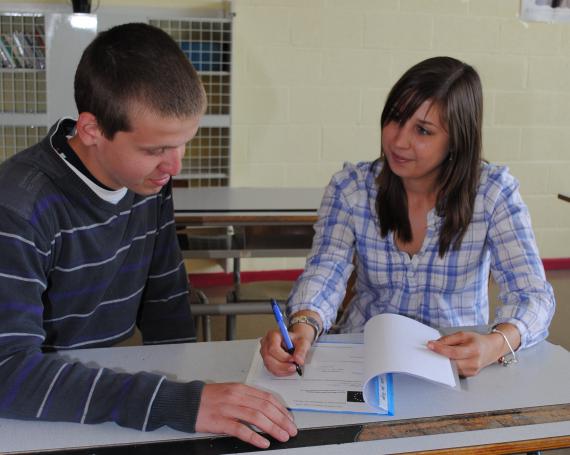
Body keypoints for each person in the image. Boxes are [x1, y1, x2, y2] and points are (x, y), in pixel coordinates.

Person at [0, 23, 296, 449]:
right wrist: (178, 402)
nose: (173, 167)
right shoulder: (19, 208)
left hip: (97, 385)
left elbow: (165, 300)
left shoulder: (148, 183)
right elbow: (8, 371)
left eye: (182, 145)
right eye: (155, 150)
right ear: (91, 131)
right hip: (32, 410)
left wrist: (197, 405)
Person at [260, 56, 555, 379]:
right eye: (395, 118)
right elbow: (325, 273)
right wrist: (304, 324)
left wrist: (496, 343)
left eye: (423, 131)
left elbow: (533, 296)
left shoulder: (493, 193)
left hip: (456, 365)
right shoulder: (352, 188)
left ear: (457, 140)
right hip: (365, 355)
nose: (399, 141)